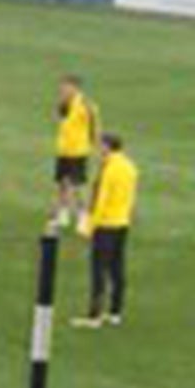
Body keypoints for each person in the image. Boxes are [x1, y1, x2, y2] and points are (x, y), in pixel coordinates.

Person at [73, 134, 138, 328]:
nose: (98, 150)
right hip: (122, 223)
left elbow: (101, 201)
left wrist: (89, 226)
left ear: (108, 147)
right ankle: (115, 312)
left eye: (101, 146)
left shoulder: (109, 169)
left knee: (98, 270)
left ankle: (94, 315)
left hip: (106, 224)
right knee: (117, 268)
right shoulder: (130, 167)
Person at [52, 76, 100, 230]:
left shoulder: (86, 105)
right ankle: (63, 214)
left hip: (78, 151)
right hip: (63, 150)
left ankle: (83, 216)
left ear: (76, 88)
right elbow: (59, 121)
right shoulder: (62, 104)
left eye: (66, 87)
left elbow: (94, 127)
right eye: (62, 87)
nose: (62, 90)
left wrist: (96, 147)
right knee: (61, 184)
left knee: (78, 186)